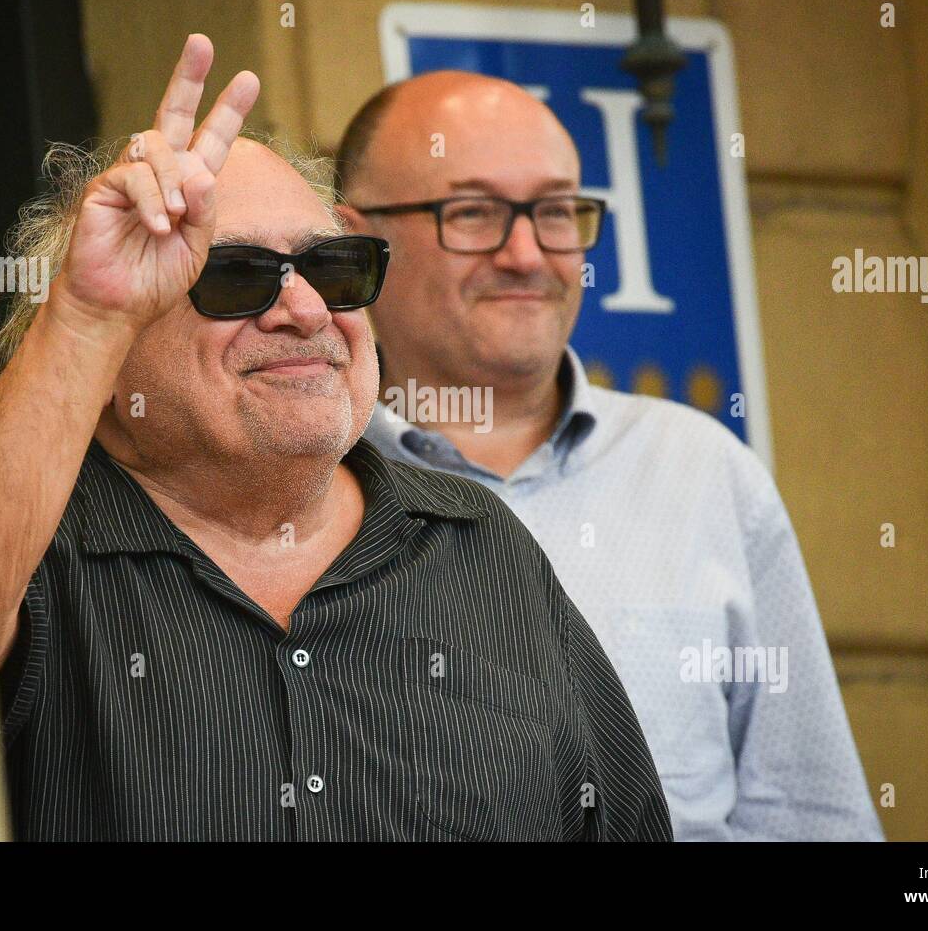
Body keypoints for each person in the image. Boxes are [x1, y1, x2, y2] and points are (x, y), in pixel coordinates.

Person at [0, 35, 671, 841]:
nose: (305, 310)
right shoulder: (36, 551)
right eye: (234, 276)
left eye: (333, 269)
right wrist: (84, 318)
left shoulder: (480, 546)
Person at [337, 69, 883, 840]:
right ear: (358, 240)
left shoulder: (700, 471)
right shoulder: (304, 489)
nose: (527, 254)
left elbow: (813, 818)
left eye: (557, 210)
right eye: (473, 212)